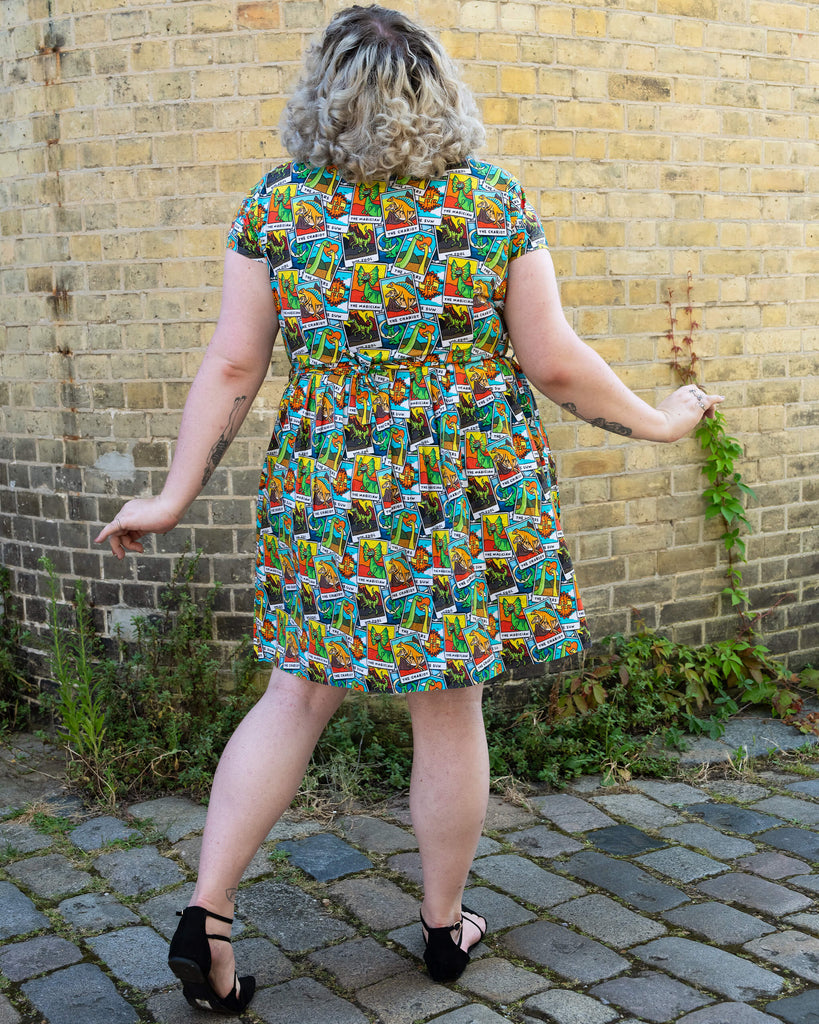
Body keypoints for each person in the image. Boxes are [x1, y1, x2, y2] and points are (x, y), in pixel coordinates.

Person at [96, 4, 723, 1013]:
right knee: (449, 700)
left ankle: (205, 914)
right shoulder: (491, 201)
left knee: (295, 694)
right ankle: (442, 927)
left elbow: (233, 365)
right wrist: (658, 420)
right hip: (459, 486)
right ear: (440, 95)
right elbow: (554, 361)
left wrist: (172, 496)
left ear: (321, 95)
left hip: (329, 487)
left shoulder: (280, 208)